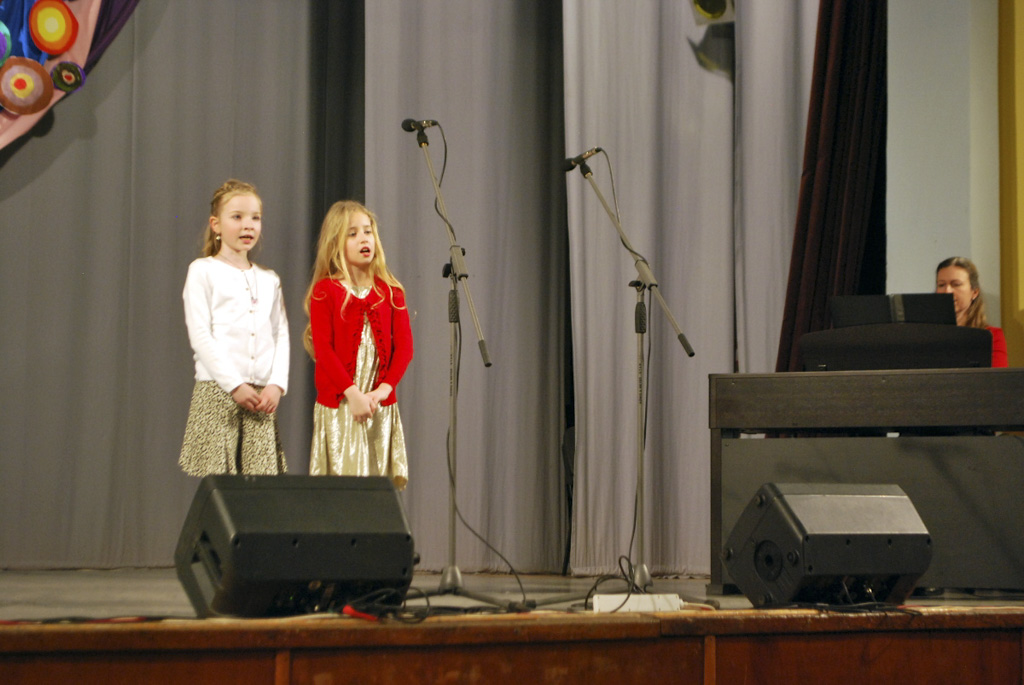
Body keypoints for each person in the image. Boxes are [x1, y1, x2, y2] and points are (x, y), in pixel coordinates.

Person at [179, 179, 290, 476]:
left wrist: (276, 384)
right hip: (219, 391)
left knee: (259, 486)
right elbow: (200, 335)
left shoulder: (269, 279)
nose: (248, 225)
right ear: (216, 224)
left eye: (255, 218)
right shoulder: (203, 271)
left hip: (260, 398)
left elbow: (280, 333)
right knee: (221, 484)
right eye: (237, 217)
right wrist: (234, 385)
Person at [305, 200, 413, 489]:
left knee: (377, 492)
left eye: (368, 231)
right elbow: (324, 349)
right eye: (352, 234)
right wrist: (353, 395)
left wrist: (382, 391)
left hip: (378, 406)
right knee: (343, 491)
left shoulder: (391, 292)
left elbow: (405, 348)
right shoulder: (325, 291)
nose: (364, 238)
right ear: (335, 244)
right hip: (343, 406)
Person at [935, 256, 1008, 367]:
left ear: (974, 292)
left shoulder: (992, 336)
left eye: (956, 284)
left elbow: (997, 376)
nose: (947, 291)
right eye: (941, 285)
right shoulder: (927, 335)